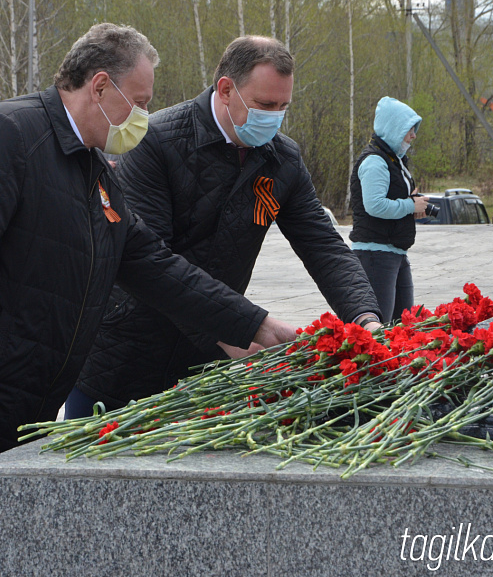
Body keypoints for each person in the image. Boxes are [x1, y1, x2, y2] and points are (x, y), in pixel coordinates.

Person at [0, 22, 295, 577]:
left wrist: (257, 325)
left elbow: (155, 267)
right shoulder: (5, 136)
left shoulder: (93, 170)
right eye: (138, 102)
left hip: (18, 397)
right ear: (99, 86)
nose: (143, 116)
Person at [69, 35, 383, 418]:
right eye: (265, 105)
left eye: (283, 107)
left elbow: (323, 246)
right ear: (226, 89)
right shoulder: (157, 142)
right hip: (122, 357)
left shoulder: (281, 160)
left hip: (203, 372)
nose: (274, 116)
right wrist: (230, 328)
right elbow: (151, 260)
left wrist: (365, 317)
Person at [348, 96, 429, 321]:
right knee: (380, 327)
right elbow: (374, 205)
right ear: (394, 128)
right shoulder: (375, 161)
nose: (413, 135)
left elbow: (392, 200)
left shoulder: (394, 160)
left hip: (394, 252)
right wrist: (409, 205)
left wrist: (413, 207)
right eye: (409, 129)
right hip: (375, 254)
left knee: (404, 326)